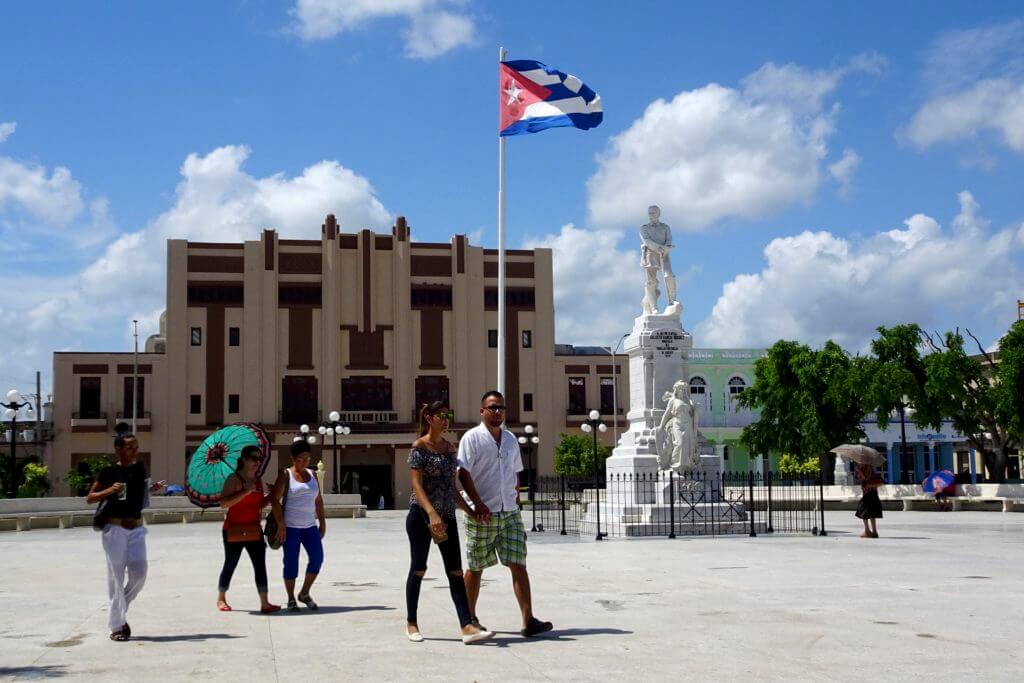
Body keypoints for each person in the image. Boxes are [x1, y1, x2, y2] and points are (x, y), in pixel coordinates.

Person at [457, 391, 553, 638]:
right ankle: (469, 619)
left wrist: (516, 499)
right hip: (483, 514)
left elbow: (516, 472)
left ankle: (528, 620)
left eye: (501, 407)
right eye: (492, 408)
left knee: (518, 564)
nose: (497, 412)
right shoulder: (472, 438)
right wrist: (477, 504)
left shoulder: (511, 439)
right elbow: (463, 473)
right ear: (482, 411)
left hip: (509, 512)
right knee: (476, 567)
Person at [405, 401, 495, 645]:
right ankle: (411, 623)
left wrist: (470, 509)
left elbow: (451, 487)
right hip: (421, 516)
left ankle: (466, 626)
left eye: (449, 415)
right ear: (429, 418)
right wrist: (432, 515)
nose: (446, 420)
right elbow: (416, 485)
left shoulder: (449, 448)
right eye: (441, 415)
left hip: (447, 516)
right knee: (419, 568)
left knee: (455, 571)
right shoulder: (419, 447)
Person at [86, 429, 165, 641]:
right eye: (130, 447)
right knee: (116, 577)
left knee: (140, 574)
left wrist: (151, 489)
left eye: (136, 447)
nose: (134, 450)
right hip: (115, 530)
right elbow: (90, 498)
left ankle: (119, 611)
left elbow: (135, 493)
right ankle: (117, 627)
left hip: (137, 528)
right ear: (118, 449)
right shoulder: (108, 471)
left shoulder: (139, 469)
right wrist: (109, 490)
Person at [217, 445, 280, 614]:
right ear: (244, 459)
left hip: (254, 529)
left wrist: (272, 496)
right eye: (253, 458)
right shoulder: (233, 478)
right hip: (233, 529)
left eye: (259, 459)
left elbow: (259, 505)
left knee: (260, 565)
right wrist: (246, 491)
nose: (257, 462)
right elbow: (224, 504)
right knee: (230, 563)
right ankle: (221, 598)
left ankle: (265, 603)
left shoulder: (258, 480)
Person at [270, 440, 326, 612]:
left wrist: (322, 522)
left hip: (310, 527)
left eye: (307, 459)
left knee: (317, 559)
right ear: (293, 459)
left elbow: (318, 501)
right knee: (291, 563)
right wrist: (281, 524)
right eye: (301, 459)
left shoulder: (313, 475)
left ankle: (304, 592)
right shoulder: (285, 475)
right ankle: (291, 598)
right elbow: (274, 500)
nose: (305, 462)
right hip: (291, 527)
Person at [639, 205, 677, 315]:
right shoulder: (644, 228)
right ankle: (653, 307)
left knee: (669, 275)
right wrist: (657, 248)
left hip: (664, 254)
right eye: (649, 213)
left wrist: (666, 248)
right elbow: (646, 240)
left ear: (658, 214)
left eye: (653, 213)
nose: (651, 215)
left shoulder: (665, 227)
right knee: (651, 282)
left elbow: (669, 240)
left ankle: (672, 300)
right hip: (650, 254)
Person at [854, 463, 883, 538]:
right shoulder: (872, 469)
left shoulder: (864, 469)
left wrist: (859, 471)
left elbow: (865, 480)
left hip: (867, 494)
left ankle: (867, 531)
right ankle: (874, 531)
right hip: (873, 493)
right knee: (871, 513)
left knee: (863, 511)